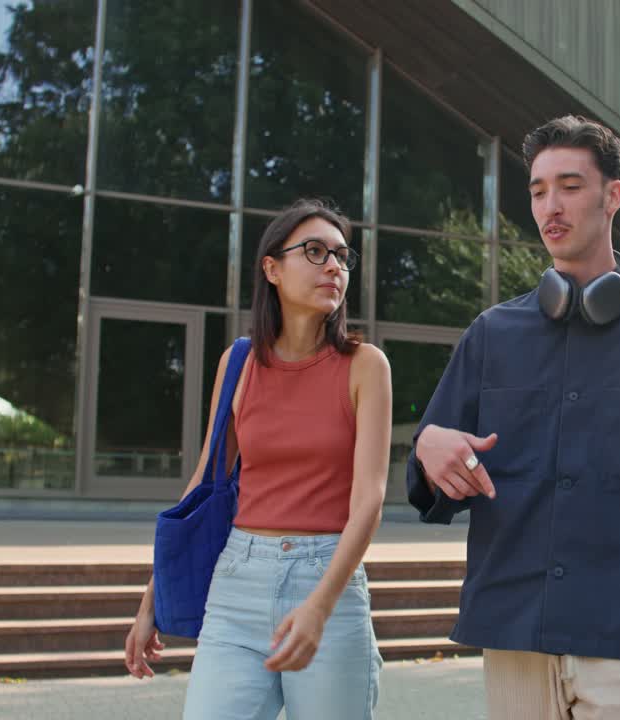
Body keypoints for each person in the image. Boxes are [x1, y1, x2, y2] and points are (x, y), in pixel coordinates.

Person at [407, 115, 620, 720]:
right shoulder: (492, 334)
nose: (551, 206)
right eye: (539, 190)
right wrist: (427, 445)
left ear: (613, 195)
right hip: (512, 628)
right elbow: (431, 475)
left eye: (569, 186)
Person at [123, 199, 392, 718]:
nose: (334, 267)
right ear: (272, 268)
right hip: (237, 583)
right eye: (315, 252)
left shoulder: (365, 366)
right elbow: (203, 483)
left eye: (342, 256)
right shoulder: (239, 362)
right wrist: (152, 596)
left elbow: (369, 501)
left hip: (327, 583)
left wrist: (320, 607)